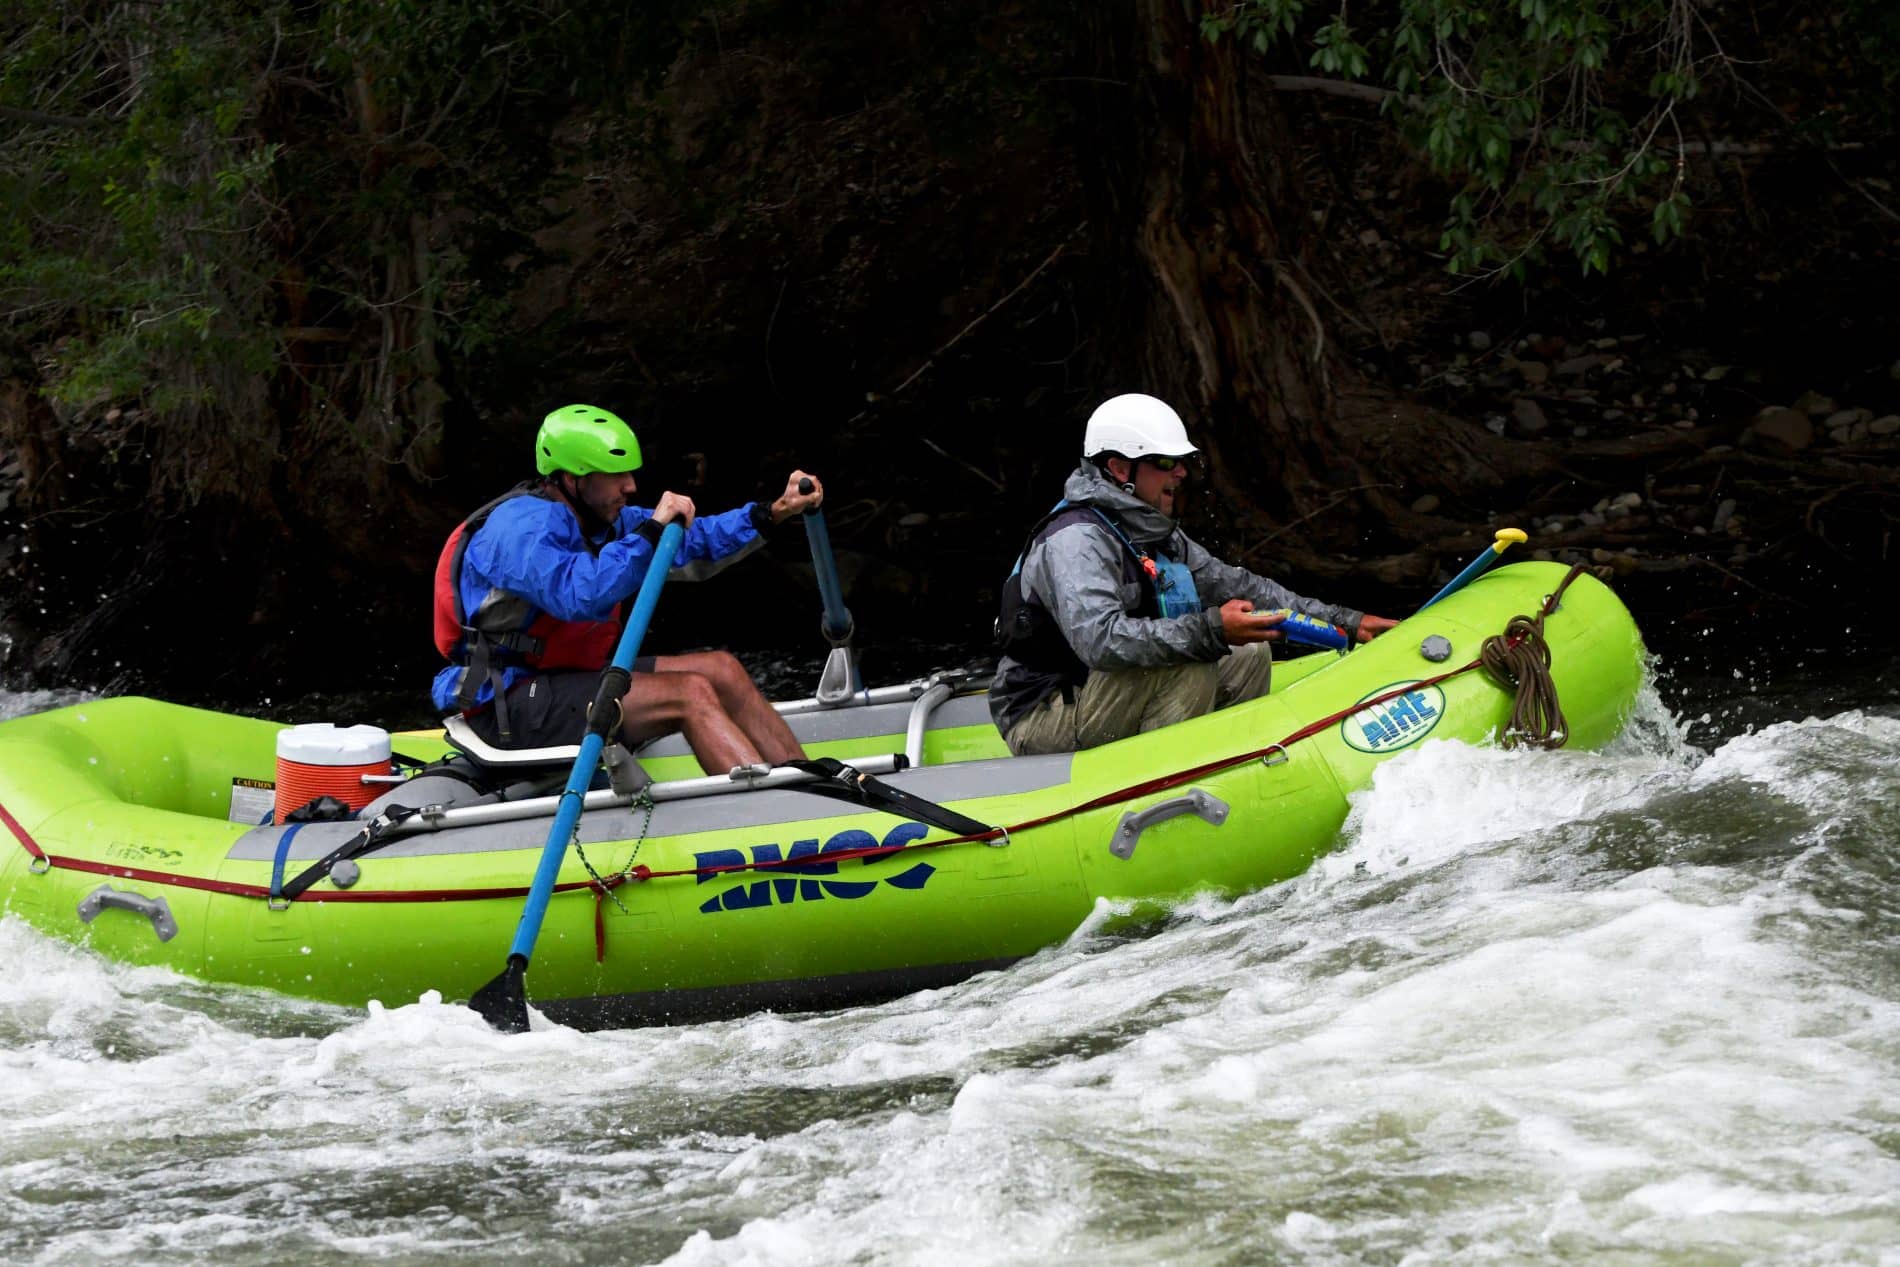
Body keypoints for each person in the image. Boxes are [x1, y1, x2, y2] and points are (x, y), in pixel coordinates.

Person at [990, 392, 1399, 755]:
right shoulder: (1076, 541)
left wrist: (1347, 622)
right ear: (1119, 469)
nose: (1181, 473)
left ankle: (1235, 761)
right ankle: (1164, 782)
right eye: (1166, 462)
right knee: (1191, 659)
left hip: (1099, 690)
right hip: (1044, 714)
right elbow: (1101, 642)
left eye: (1182, 463)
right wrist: (1212, 630)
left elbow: (1239, 586)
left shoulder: (1152, 532)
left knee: (1250, 652)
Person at [432, 403, 823, 774]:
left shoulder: (600, 520)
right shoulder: (519, 530)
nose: (630, 486)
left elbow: (694, 540)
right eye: (614, 475)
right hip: (506, 703)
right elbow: (580, 594)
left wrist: (774, 512)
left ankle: (808, 785)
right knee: (690, 693)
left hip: (562, 678)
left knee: (722, 670)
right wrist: (650, 533)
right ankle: (769, 806)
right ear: (573, 479)